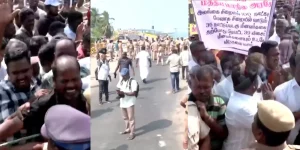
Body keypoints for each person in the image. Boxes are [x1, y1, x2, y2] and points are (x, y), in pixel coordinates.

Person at [188, 65, 228, 150]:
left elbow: (223, 134)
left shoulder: (219, 103)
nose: (202, 91)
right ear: (190, 85)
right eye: (198, 87)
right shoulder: (187, 103)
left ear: (213, 84)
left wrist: (206, 117)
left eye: (206, 87)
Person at [223, 62, 260, 150]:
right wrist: (270, 101)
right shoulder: (244, 109)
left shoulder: (236, 95)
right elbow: (266, 126)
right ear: (254, 86)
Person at [117, 68, 138, 140]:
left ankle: (132, 133)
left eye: (124, 75)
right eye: (122, 75)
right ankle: (127, 129)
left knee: (131, 118)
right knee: (125, 117)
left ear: (128, 74)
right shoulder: (121, 80)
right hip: (122, 101)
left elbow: (134, 93)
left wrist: (124, 93)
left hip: (130, 102)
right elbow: (119, 88)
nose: (123, 76)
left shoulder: (133, 81)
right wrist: (119, 93)